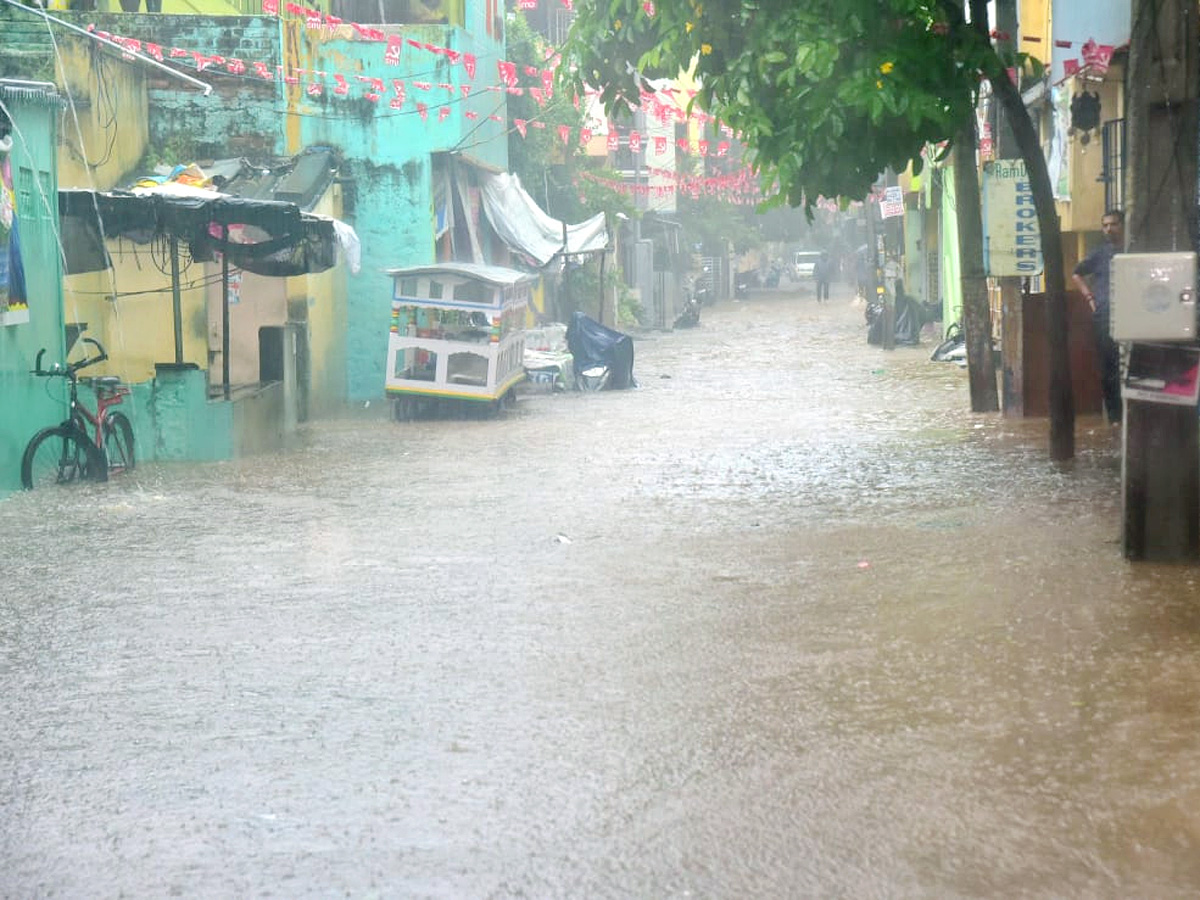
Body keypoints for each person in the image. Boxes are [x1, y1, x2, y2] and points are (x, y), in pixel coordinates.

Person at [1071, 209, 1125, 424]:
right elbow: (1077, 273)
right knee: (1108, 366)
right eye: (1105, 225)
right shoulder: (1099, 253)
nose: (1109, 229)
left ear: (1123, 225)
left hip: (1133, 316)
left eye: (1113, 224)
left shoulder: (1133, 250)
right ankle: (1114, 418)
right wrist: (1090, 298)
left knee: (1134, 364)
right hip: (1105, 315)